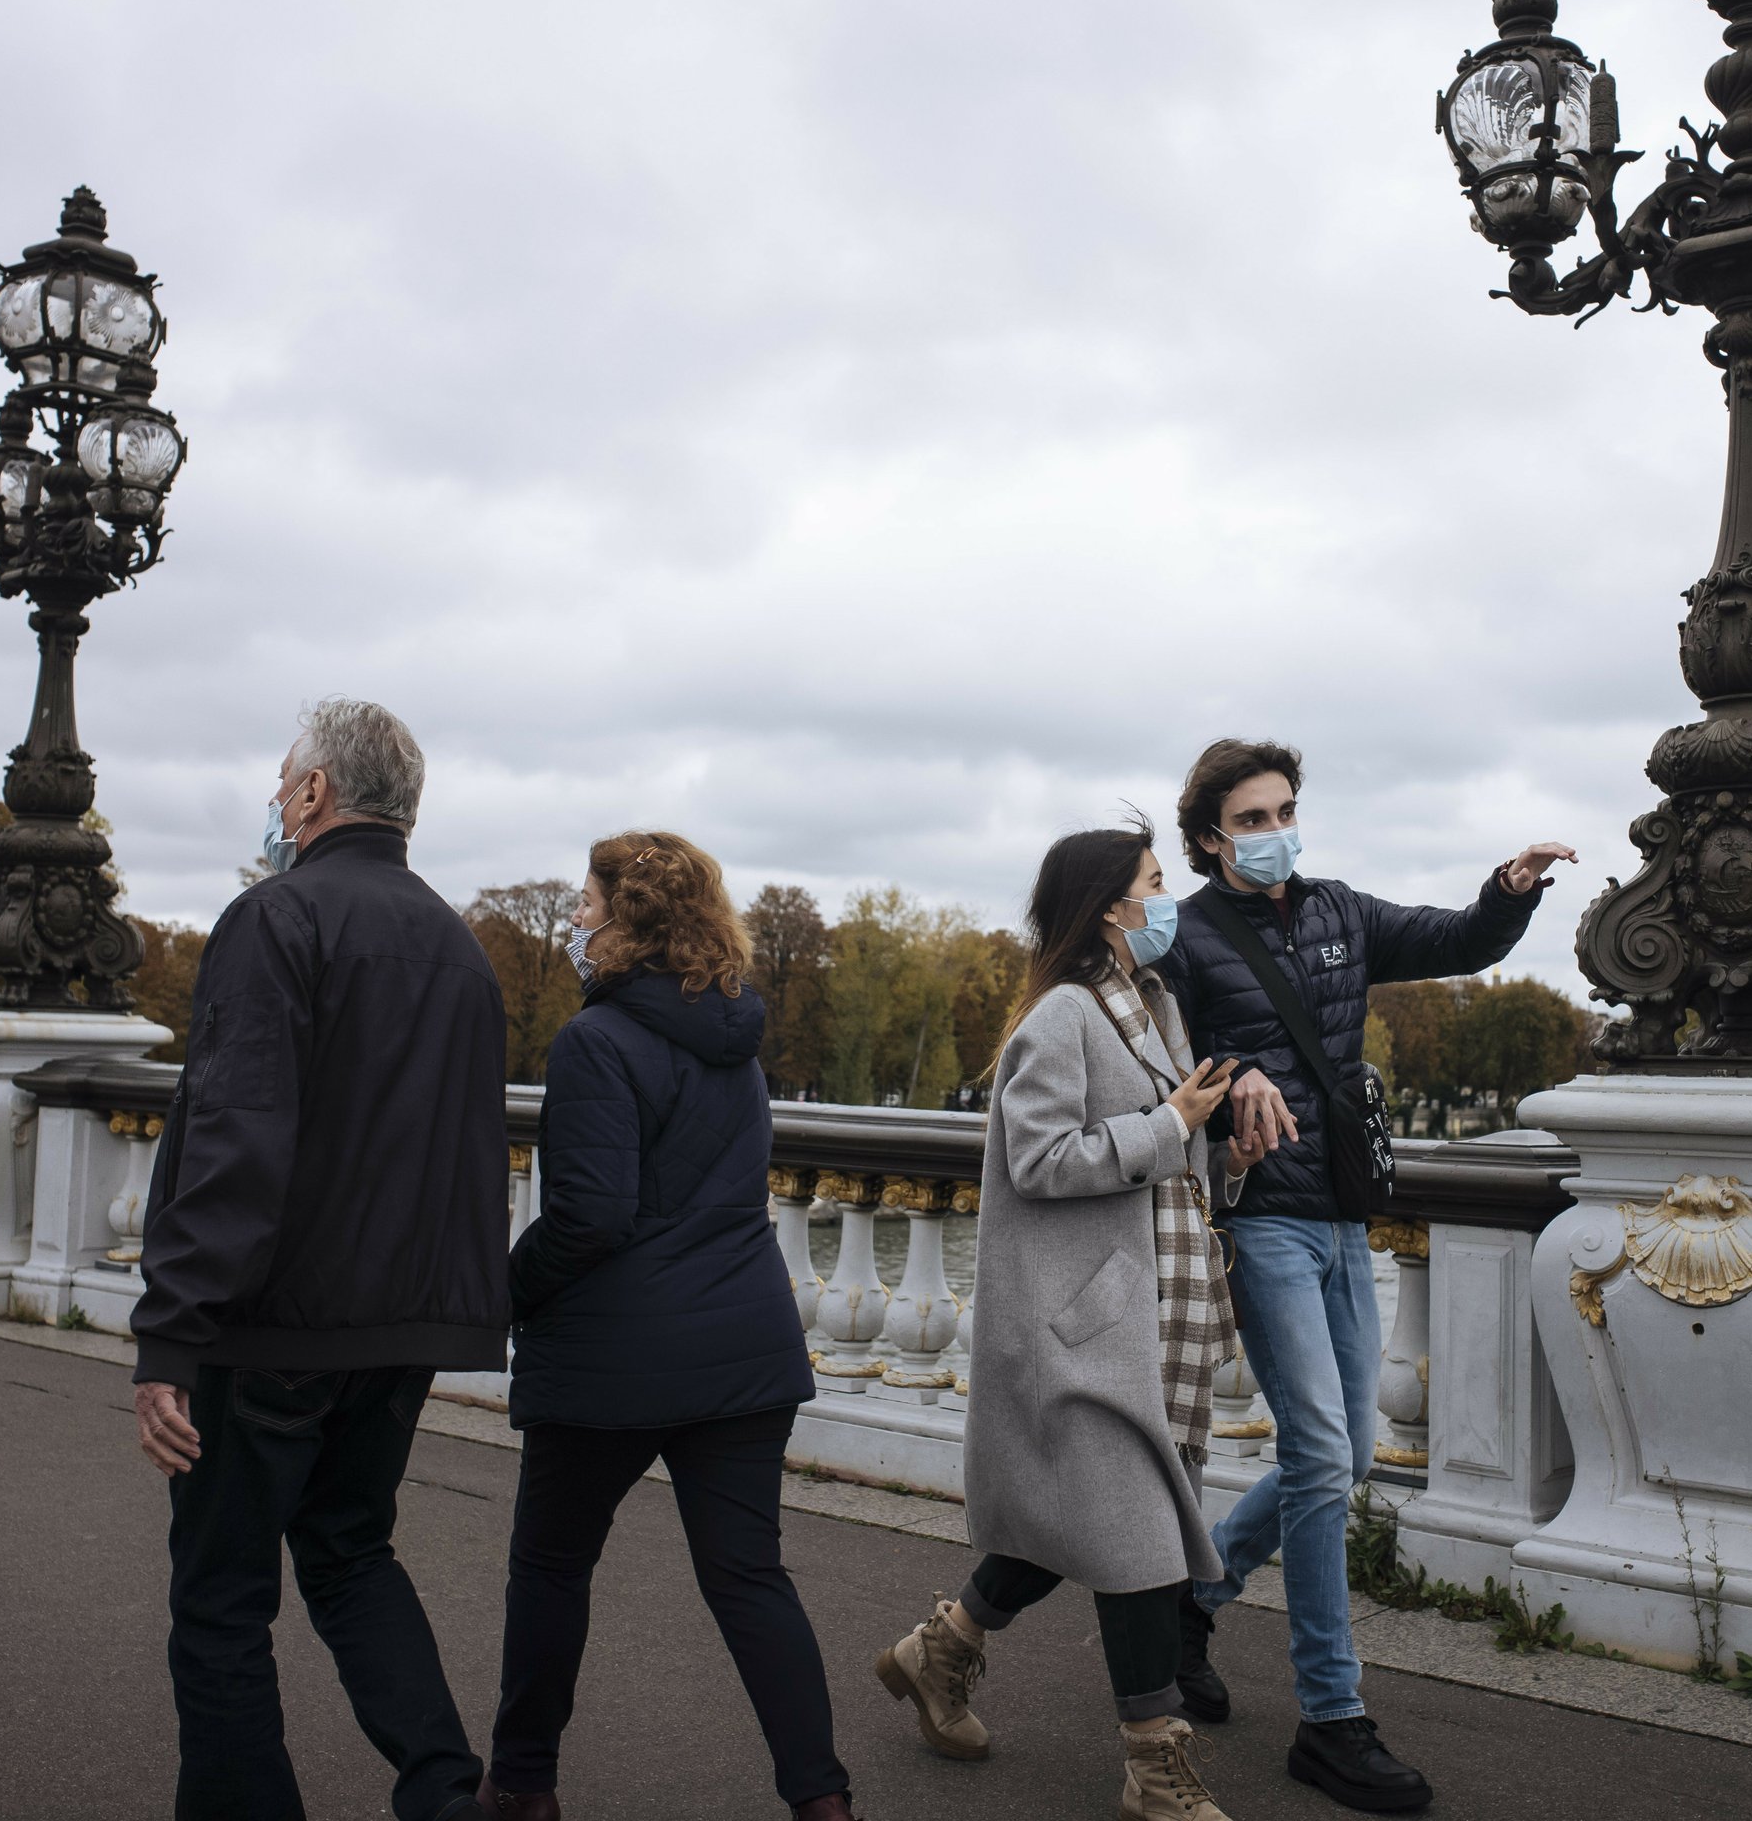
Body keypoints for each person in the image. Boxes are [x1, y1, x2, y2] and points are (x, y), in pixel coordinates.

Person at [1156, 738, 1575, 1815]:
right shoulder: (1187, 937)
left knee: (1335, 1457)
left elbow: (1457, 939)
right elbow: (1163, 1064)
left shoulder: (1339, 909)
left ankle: (1196, 1597)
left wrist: (1508, 890)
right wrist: (1234, 1069)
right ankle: (1332, 1717)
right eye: (1251, 818)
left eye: (1284, 809)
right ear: (1208, 836)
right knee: (1320, 1446)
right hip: (1261, 1217)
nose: (1274, 830)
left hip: (1344, 1209)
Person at [132, 698, 509, 1821]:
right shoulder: (459, 946)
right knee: (351, 1556)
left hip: (271, 1322)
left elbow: (235, 1137)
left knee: (221, 1604)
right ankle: (446, 1794)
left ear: (311, 794)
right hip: (399, 1326)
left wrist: (172, 1330)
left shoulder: (276, 917)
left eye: (282, 780)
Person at [876, 821, 1257, 1821]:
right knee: (1136, 1540)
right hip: (1078, 1325)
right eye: (1155, 882)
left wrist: (1217, 1147)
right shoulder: (1057, 1019)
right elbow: (1044, 1161)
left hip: (1143, 1307)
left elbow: (1161, 1147)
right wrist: (1172, 1122)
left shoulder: (1153, 1003)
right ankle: (1154, 1763)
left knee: (1080, 1517)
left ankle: (942, 1647)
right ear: (1109, 908)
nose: (1168, 898)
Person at [476, 832, 854, 1821]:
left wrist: (501, 1286)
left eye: (586, 898)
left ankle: (522, 1784)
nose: (575, 915)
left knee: (554, 1564)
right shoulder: (735, 1036)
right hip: (741, 1342)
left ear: (625, 917)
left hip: (615, 1355)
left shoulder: (595, 1040)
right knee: (749, 1579)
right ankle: (823, 1798)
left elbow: (591, 1215)